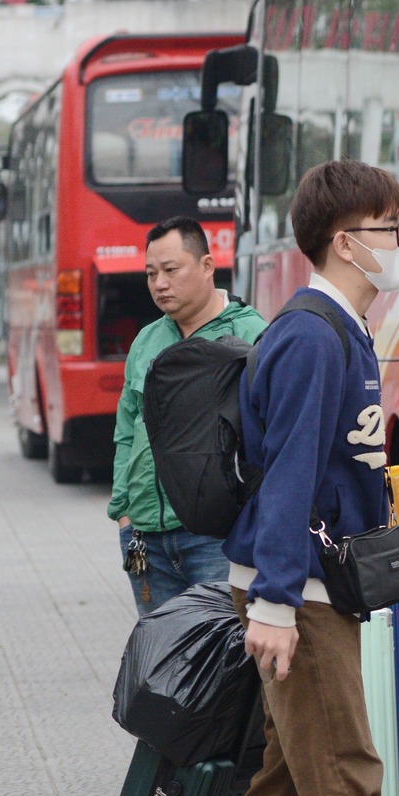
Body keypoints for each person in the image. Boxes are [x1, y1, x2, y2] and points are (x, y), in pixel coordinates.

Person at [223, 160, 399, 796]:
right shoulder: (310, 336)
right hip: (298, 590)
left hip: (307, 583)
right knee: (345, 785)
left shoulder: (343, 328)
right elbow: (289, 473)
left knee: (292, 794)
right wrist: (274, 602)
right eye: (389, 227)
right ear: (345, 242)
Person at [107, 216, 267, 614]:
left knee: (219, 650)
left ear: (207, 266)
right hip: (146, 538)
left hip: (217, 540)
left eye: (171, 270)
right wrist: (123, 511)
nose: (159, 284)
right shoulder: (147, 340)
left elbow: (269, 438)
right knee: (161, 650)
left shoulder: (251, 335)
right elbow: (126, 429)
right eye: (151, 274)